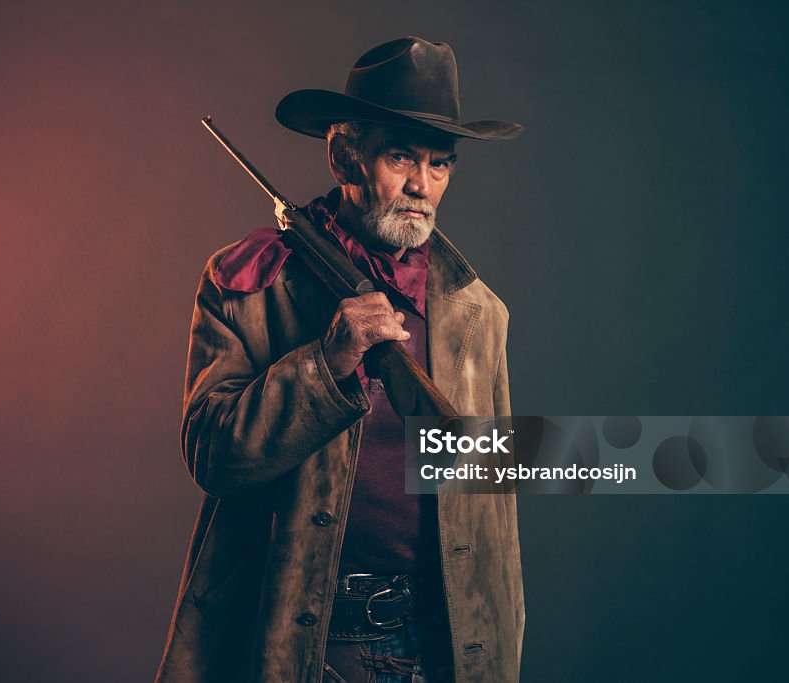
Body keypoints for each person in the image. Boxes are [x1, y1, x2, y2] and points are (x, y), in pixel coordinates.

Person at [156, 37, 524, 683]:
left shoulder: (477, 310)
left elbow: (492, 497)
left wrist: (497, 639)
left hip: (449, 639)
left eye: (441, 164)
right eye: (400, 155)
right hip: (317, 639)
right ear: (345, 154)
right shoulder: (249, 280)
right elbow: (213, 457)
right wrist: (325, 364)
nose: (421, 184)